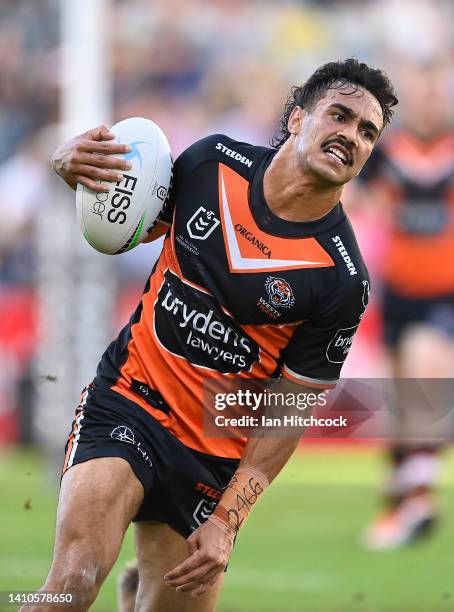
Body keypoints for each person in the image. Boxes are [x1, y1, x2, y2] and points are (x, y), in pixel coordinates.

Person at [27, 59, 397, 612]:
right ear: (297, 119)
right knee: (70, 587)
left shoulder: (341, 279)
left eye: (368, 132)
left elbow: (289, 410)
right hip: (129, 402)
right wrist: (74, 173)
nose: (351, 136)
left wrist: (227, 520)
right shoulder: (211, 162)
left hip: (211, 459)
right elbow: (125, 226)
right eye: (339, 116)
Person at [358, 60, 454, 550]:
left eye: (438, 92)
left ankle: (420, 502)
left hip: (444, 292)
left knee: (424, 381)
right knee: (399, 399)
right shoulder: (386, 152)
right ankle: (400, 501)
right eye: (423, 92)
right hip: (396, 290)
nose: (432, 101)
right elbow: (356, 197)